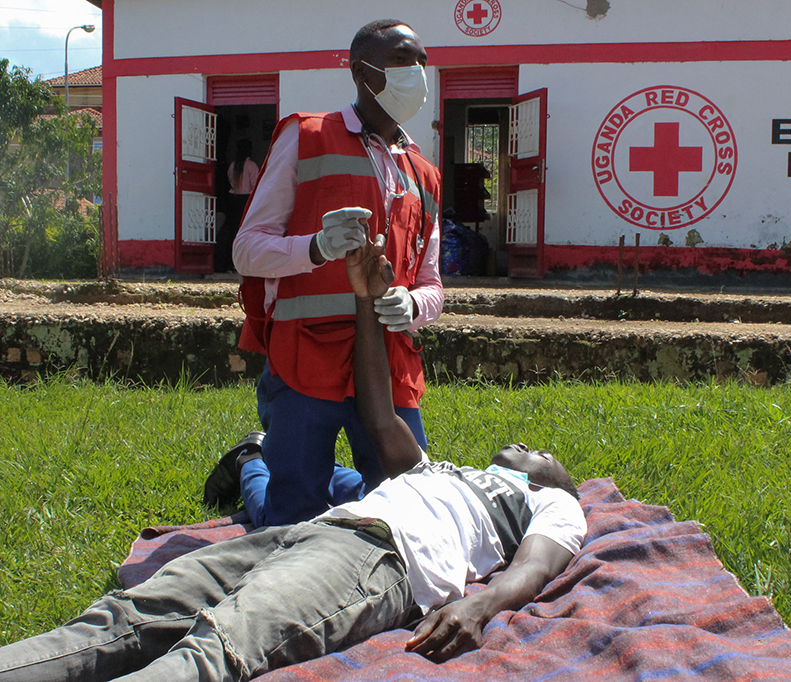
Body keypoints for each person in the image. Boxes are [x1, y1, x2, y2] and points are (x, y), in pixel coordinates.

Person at [0, 237, 586, 682]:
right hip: (310, 533)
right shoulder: (441, 472)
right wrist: (366, 300)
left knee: (219, 645)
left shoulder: (552, 505)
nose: (529, 447)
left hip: (381, 562)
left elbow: (533, 570)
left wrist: (480, 607)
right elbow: (379, 413)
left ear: (554, 482)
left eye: (542, 454)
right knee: (126, 616)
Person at [216, 19, 445, 528]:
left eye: (422, 63)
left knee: (407, 511)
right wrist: (315, 247)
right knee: (289, 517)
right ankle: (252, 465)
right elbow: (247, 250)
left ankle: (268, 462)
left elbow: (431, 283)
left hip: (387, 364)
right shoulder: (307, 136)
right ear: (362, 72)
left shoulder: (424, 172)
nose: (419, 74)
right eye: (404, 62)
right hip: (306, 359)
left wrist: (413, 305)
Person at [216, 138, 260, 272]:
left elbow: (231, 181)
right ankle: (242, 263)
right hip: (246, 200)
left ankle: (228, 263)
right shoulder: (252, 165)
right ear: (249, 150)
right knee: (246, 232)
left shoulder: (233, 165)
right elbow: (255, 186)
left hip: (233, 200)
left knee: (233, 233)